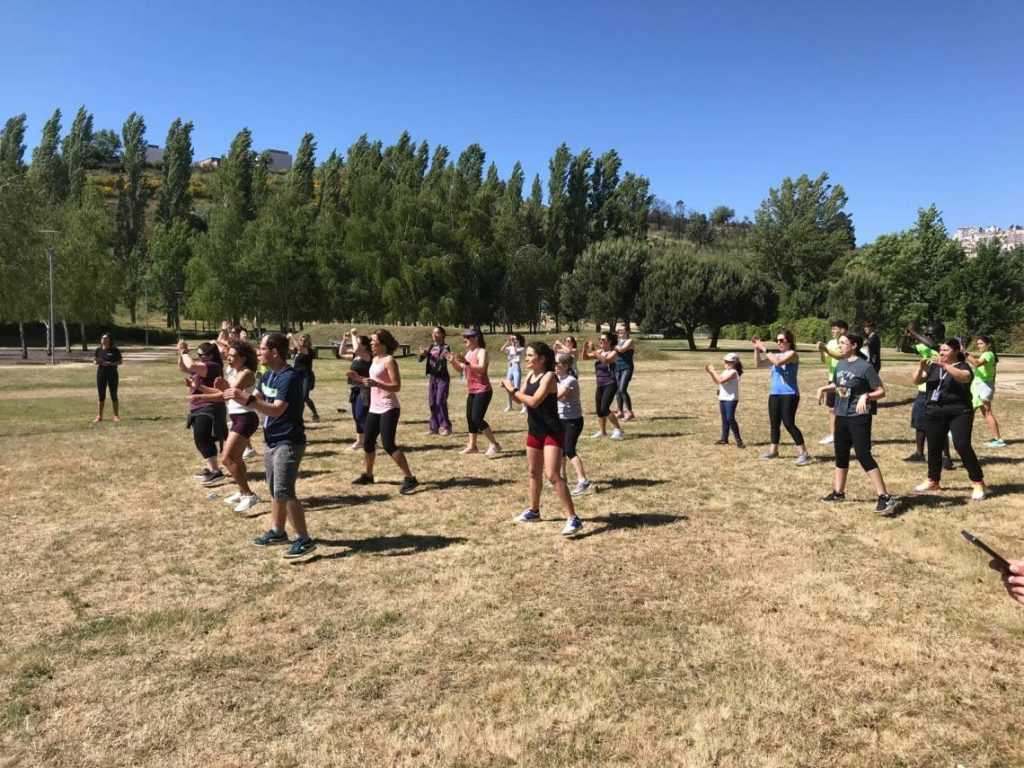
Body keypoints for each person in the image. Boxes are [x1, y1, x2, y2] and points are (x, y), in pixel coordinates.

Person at [227, 332, 315, 557]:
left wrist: (247, 399)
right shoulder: (267, 375)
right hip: (272, 440)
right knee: (275, 489)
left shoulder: (289, 377)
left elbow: (276, 410)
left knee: (285, 491)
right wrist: (235, 394)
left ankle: (304, 539)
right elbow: (255, 398)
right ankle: (277, 531)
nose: (258, 352)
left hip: (288, 441)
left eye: (262, 348)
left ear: (274, 352)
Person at [501, 342, 583, 535]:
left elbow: (534, 401)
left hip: (551, 432)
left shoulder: (549, 377)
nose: (527, 358)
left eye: (530, 355)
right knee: (533, 472)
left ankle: (573, 518)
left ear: (542, 358)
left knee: (553, 475)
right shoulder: (530, 376)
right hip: (535, 431)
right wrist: (510, 390)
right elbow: (520, 399)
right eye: (527, 355)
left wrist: (513, 389)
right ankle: (534, 511)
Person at [815, 333, 899, 514]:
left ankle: (885, 496)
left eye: (843, 343)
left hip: (859, 416)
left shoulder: (865, 367)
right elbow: (839, 386)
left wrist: (866, 396)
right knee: (841, 453)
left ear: (854, 345)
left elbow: (881, 391)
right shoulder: (840, 364)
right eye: (839, 343)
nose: (840, 346)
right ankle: (839, 492)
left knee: (863, 454)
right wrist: (823, 388)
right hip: (841, 415)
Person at [911, 338, 988, 501]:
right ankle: (933, 480)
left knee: (962, 445)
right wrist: (920, 368)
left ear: (956, 351)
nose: (941, 353)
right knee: (934, 446)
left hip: (959, 412)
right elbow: (917, 380)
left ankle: (978, 482)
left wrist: (945, 366)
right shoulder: (933, 366)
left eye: (945, 350)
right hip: (934, 411)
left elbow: (965, 377)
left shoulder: (963, 366)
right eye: (941, 350)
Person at [350, 329, 419, 494]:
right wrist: (361, 379)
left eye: (373, 340)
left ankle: (410, 478)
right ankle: (368, 475)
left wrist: (376, 384)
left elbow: (396, 386)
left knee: (388, 445)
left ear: (383, 343)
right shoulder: (375, 359)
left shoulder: (389, 360)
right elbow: (374, 380)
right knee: (368, 442)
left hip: (389, 407)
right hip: (374, 407)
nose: (371, 343)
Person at [752, 329, 811, 466]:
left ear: (789, 341)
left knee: (789, 423)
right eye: (777, 340)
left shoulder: (792, 354)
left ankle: (804, 453)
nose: (779, 343)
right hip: (775, 393)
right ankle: (773, 451)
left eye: (781, 340)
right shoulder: (776, 355)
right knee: (774, 424)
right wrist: (756, 349)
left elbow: (778, 363)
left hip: (789, 394)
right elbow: (759, 364)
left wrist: (764, 348)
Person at [901, 323, 953, 469]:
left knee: (939, 425)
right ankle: (919, 453)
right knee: (919, 423)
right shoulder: (924, 346)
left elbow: (932, 345)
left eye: (931, 334)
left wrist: (914, 332)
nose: (927, 337)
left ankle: (946, 456)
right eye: (926, 334)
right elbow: (905, 349)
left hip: (938, 390)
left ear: (941, 335)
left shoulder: (944, 347)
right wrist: (906, 337)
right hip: (923, 390)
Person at [178, 340, 229, 486]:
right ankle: (212, 469)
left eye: (201, 355)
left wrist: (185, 352)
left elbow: (191, 365)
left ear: (210, 355)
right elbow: (183, 367)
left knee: (202, 437)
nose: (198, 357)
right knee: (202, 438)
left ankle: (215, 471)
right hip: (198, 406)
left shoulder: (213, 366)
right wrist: (180, 353)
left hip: (210, 406)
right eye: (197, 355)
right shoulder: (202, 367)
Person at [446, 329, 502, 456]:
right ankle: (472, 446)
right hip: (472, 391)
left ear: (476, 338)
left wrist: (465, 362)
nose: (464, 340)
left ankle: (495, 445)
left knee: (477, 419)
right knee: (470, 418)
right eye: (464, 337)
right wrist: (452, 361)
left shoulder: (482, 352)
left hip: (483, 390)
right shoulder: (469, 353)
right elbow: (461, 369)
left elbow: (481, 368)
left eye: (467, 337)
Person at [555, 352, 591, 495]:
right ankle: (562, 477)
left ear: (564, 366)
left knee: (569, 450)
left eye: (556, 363)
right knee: (561, 450)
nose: (553, 365)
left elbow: (557, 396)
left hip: (573, 421)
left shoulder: (570, 381)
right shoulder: (557, 378)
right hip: (561, 419)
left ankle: (583, 481)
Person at [582, 332, 625, 439]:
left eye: (603, 339)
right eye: (600, 339)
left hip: (610, 383)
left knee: (605, 408)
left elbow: (606, 361)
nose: (600, 341)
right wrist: (585, 348)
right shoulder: (600, 352)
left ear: (609, 341)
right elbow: (585, 357)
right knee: (599, 410)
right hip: (600, 384)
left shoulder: (614, 353)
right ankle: (602, 432)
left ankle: (619, 430)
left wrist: (593, 350)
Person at [966, 334, 1004, 447]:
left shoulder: (988, 354)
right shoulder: (989, 355)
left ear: (989, 345)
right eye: (978, 344)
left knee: (978, 412)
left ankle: (998, 440)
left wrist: (965, 353)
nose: (979, 346)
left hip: (982, 387)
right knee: (978, 412)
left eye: (981, 344)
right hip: (982, 386)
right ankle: (997, 439)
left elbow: (977, 363)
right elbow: (992, 374)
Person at [816, 319, 848, 445]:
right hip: (832, 379)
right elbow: (825, 360)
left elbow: (840, 356)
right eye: (832, 328)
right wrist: (821, 351)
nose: (832, 330)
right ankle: (833, 435)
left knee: (843, 408)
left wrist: (825, 349)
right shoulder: (830, 342)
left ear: (843, 329)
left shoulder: (846, 342)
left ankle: (846, 436)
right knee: (831, 408)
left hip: (843, 380)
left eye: (835, 328)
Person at [340, 329, 372, 450]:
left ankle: (372, 441)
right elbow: (341, 352)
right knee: (356, 416)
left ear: (365, 346)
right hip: (355, 388)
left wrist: (354, 335)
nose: (355, 345)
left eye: (358, 343)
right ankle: (360, 442)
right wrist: (345, 340)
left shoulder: (368, 356)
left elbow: (356, 349)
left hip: (364, 389)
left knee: (361, 415)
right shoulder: (356, 356)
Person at [705, 352, 744, 448]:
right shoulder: (726, 371)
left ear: (734, 363)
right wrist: (711, 373)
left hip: (731, 399)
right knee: (724, 419)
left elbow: (721, 380)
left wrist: (713, 370)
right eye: (725, 361)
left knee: (730, 418)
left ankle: (739, 440)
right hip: (723, 397)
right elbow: (717, 381)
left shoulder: (733, 372)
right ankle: (724, 438)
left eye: (727, 361)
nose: (725, 362)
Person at [419, 326, 452, 436]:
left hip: (442, 378)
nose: (434, 335)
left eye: (437, 333)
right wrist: (423, 354)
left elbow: (440, 361)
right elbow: (420, 360)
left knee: (440, 401)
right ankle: (433, 428)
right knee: (432, 403)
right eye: (433, 333)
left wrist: (428, 354)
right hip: (432, 378)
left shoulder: (446, 347)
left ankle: (446, 427)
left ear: (442, 334)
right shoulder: (431, 346)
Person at [93, 332, 122, 423]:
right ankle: (99, 416)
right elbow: (95, 361)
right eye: (103, 338)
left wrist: (110, 364)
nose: (104, 340)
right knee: (101, 396)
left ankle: (116, 416)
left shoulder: (115, 350)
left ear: (109, 340)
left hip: (112, 374)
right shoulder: (98, 350)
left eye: (106, 338)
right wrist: (98, 362)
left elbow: (120, 362)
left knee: (114, 395)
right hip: (101, 375)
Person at [290, 333, 320, 423]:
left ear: (308, 342)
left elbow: (300, 348)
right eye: (301, 340)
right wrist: (287, 339)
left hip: (306, 376)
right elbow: (286, 350)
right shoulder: (296, 350)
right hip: (296, 376)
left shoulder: (309, 351)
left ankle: (315, 415)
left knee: (304, 396)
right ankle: (297, 416)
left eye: (305, 341)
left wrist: (292, 337)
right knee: (296, 397)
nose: (302, 342)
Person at [614, 323, 636, 421]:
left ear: (627, 332)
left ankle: (630, 412)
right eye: (619, 330)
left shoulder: (630, 341)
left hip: (627, 367)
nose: (620, 332)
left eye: (622, 330)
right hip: (617, 367)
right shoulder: (617, 341)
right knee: (617, 390)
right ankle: (620, 412)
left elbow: (621, 349)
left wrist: (612, 344)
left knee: (622, 389)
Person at [501, 333, 526, 412]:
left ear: (519, 340)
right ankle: (510, 406)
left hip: (516, 367)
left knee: (516, 388)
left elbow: (516, 353)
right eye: (513, 339)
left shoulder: (522, 349)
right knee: (508, 387)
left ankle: (524, 406)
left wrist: (514, 345)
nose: (513, 340)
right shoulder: (510, 347)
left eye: (515, 339)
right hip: (510, 367)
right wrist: (507, 342)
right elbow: (502, 350)